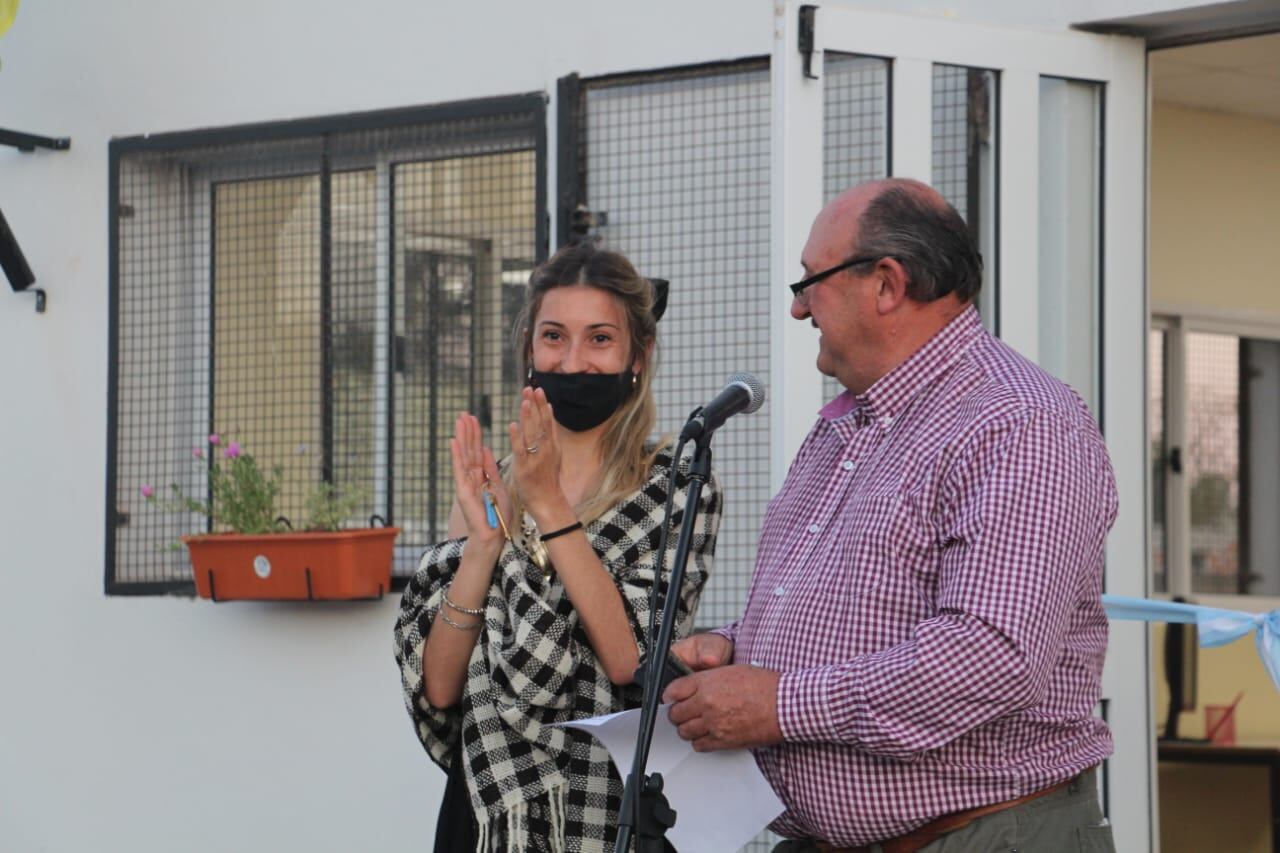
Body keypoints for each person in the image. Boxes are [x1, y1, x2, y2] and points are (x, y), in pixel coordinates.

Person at [664, 178, 1118, 852]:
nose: (798, 308)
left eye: (809, 281)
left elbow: (991, 656)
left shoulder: (1019, 421)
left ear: (886, 283)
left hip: (985, 835)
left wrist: (779, 703)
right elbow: (862, 606)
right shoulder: (851, 424)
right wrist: (739, 645)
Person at [394, 241, 722, 853]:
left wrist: (547, 507)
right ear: (529, 350)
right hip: (491, 811)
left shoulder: (675, 487)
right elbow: (440, 687)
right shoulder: (488, 484)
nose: (574, 361)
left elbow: (630, 659)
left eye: (599, 338)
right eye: (554, 337)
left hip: (600, 810)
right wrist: (485, 544)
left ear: (638, 354)